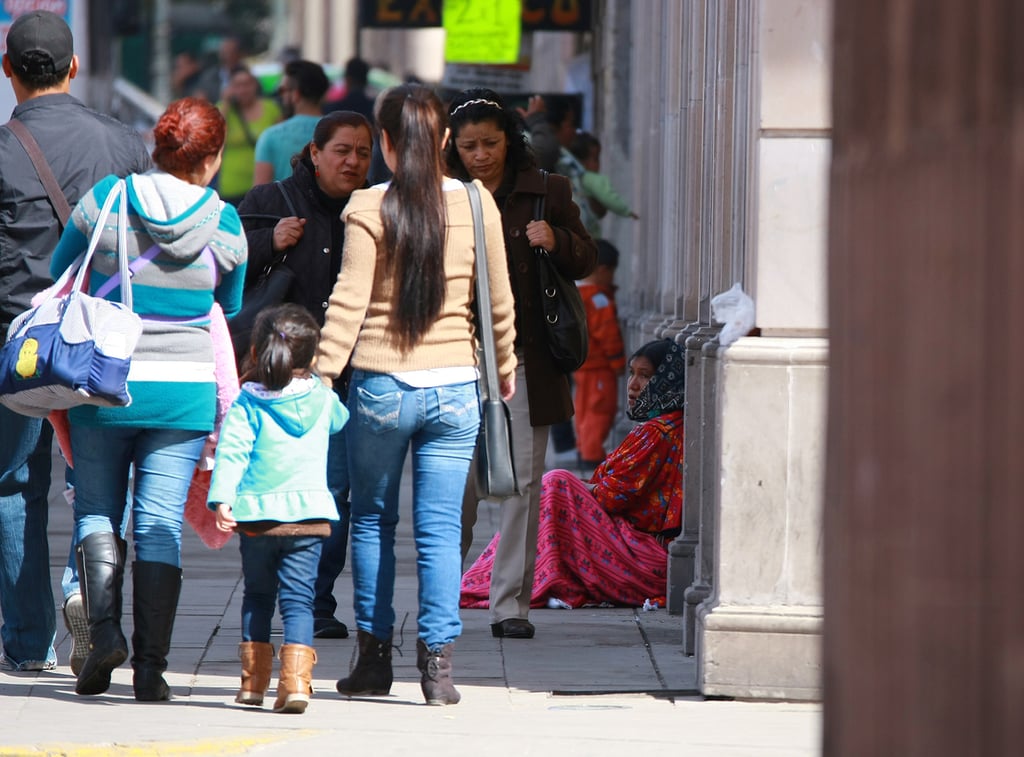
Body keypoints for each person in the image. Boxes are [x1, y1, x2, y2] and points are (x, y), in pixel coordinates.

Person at [315, 83, 517, 706]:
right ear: (445, 142)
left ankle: (373, 662)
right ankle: (438, 669)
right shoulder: (478, 202)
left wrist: (322, 376)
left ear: (386, 143)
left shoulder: (367, 206)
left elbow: (348, 305)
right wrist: (503, 366)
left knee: (372, 521)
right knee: (438, 528)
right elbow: (499, 300)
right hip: (456, 386)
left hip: (378, 386)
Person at [48, 97, 248, 700]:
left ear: (155, 146)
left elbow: (65, 271)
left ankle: (103, 638)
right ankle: (152, 671)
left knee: (97, 512)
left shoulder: (107, 199)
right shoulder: (226, 223)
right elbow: (229, 304)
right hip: (184, 393)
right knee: (160, 523)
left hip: (106, 382)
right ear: (211, 158)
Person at [0, 9, 151, 673]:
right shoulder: (122, 145)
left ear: (8, 72)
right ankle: (81, 604)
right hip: (98, 342)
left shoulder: (2, 149)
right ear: (75, 67)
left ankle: (28, 643)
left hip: (16, 345)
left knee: (13, 486)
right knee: (96, 491)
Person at [445, 88, 597, 640]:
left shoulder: (546, 191)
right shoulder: (444, 195)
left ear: (510, 140)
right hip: (454, 357)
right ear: (453, 148)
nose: (481, 155)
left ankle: (510, 604)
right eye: (469, 146)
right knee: (453, 480)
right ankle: (444, 592)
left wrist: (555, 238)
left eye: (490, 143)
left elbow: (586, 256)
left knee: (523, 483)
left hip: (526, 356)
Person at [238, 110, 374, 640]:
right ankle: (268, 595)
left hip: (346, 375)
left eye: (363, 152)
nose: (353, 161)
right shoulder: (270, 202)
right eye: (342, 150)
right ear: (315, 153)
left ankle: (316, 601)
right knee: (272, 490)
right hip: (278, 378)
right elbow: (226, 268)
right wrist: (270, 242)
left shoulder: (374, 207)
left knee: (332, 491)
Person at [461, 338, 685, 609]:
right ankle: (501, 580)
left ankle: (491, 581)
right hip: (648, 556)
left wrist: (584, 489)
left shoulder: (658, 432)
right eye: (631, 374)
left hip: (647, 560)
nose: (633, 385)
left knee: (557, 484)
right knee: (555, 487)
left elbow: (612, 497)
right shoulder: (668, 425)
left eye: (646, 377)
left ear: (668, 381)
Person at [208, 303, 349, 714]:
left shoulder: (248, 403)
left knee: (257, 597)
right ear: (310, 355)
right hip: (309, 518)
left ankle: (253, 685)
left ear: (257, 352)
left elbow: (231, 453)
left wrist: (223, 499)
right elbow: (341, 420)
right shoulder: (323, 399)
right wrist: (322, 382)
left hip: (256, 520)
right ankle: (297, 684)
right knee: (300, 601)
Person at [574, 239, 626, 468]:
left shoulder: (578, 294)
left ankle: (584, 451)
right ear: (603, 270)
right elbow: (607, 333)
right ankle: (593, 459)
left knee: (584, 412)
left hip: (583, 366)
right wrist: (618, 362)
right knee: (600, 412)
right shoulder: (598, 297)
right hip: (600, 368)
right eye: (612, 273)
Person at [253, 60, 329, 185]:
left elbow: (260, 191)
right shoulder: (337, 133)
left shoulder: (270, 136)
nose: (280, 96)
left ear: (296, 94)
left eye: (282, 90)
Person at [217, 65, 281, 206]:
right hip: (232, 185)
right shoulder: (224, 109)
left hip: (265, 183)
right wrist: (226, 102)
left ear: (255, 85)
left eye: (247, 84)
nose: (243, 90)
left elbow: (280, 141)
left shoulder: (270, 108)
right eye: (237, 85)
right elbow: (216, 135)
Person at [567, 131, 639, 240]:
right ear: (582, 162)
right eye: (595, 159)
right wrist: (627, 211)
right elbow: (608, 196)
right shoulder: (590, 178)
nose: (598, 164)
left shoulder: (571, 178)